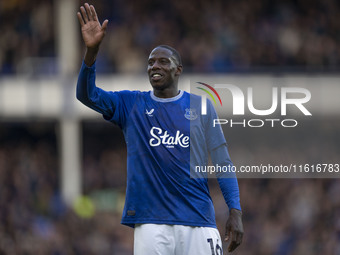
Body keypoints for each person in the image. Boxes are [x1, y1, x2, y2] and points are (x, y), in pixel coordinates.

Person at [76, 3, 243, 254]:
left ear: (178, 70)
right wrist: (91, 53)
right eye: (151, 62)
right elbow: (86, 95)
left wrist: (235, 210)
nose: (155, 66)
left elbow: (223, 163)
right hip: (151, 223)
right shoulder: (130, 104)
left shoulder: (201, 107)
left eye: (163, 62)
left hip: (198, 220)